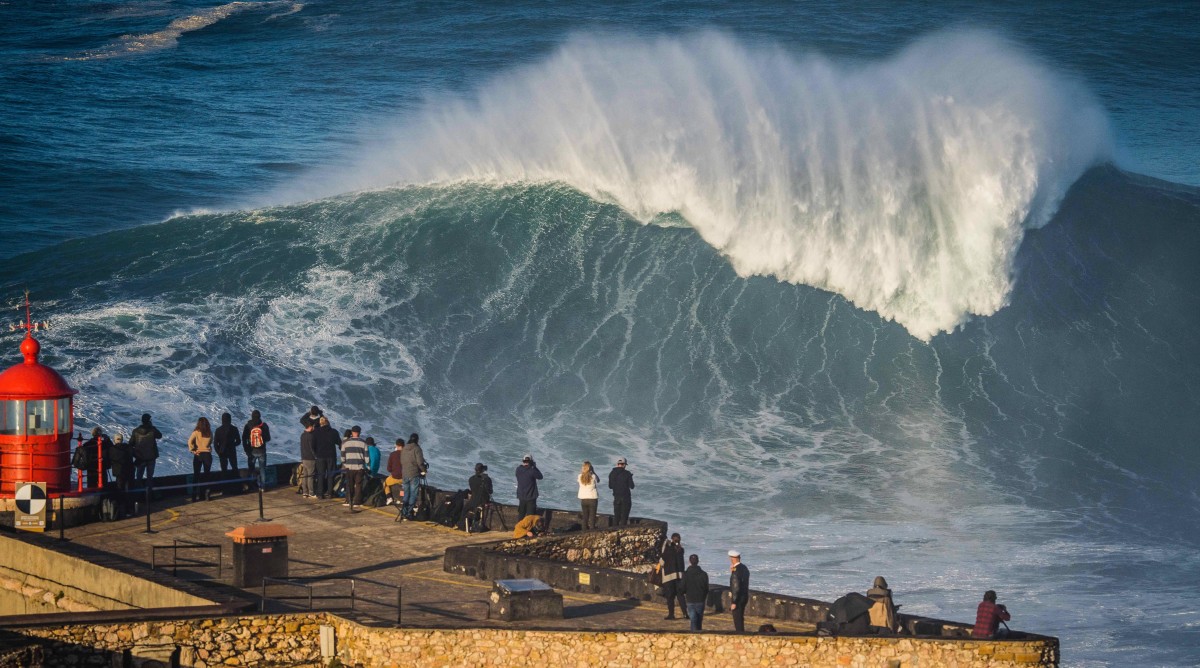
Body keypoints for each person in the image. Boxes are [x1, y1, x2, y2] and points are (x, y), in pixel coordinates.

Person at [658, 533, 687, 620]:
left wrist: (665, 545)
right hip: (679, 576)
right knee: (680, 596)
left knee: (670, 597)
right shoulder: (681, 550)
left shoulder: (668, 549)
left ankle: (671, 614)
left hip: (669, 576)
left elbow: (662, 562)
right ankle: (685, 613)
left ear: (672, 539)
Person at [399, 433, 427, 520]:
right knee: (413, 494)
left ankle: (404, 512)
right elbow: (420, 463)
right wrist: (424, 471)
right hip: (414, 474)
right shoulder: (417, 448)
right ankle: (409, 513)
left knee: (406, 493)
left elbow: (401, 461)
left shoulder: (404, 448)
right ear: (417, 440)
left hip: (405, 474)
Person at [312, 416, 340, 499]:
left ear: (320, 423)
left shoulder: (316, 432)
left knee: (321, 475)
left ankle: (320, 493)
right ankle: (330, 493)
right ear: (328, 422)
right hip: (331, 456)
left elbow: (313, 445)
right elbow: (339, 443)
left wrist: (316, 454)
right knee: (331, 475)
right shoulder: (333, 432)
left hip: (320, 456)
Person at [187, 417, 214, 501]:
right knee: (207, 475)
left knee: (196, 475)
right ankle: (206, 495)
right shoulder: (210, 433)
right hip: (207, 455)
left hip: (198, 455)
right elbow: (211, 442)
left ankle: (194, 497)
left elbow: (189, 441)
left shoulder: (196, 432)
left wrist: (193, 450)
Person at [340, 426, 368, 507]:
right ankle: (357, 502)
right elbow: (366, 458)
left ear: (352, 432)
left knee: (349, 484)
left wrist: (345, 464)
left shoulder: (345, 442)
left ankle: (348, 500)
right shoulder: (364, 443)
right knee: (358, 485)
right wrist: (366, 465)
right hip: (359, 467)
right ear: (359, 432)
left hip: (349, 467)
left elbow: (342, 456)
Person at [130, 413, 162, 482]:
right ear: (149, 421)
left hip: (140, 457)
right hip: (151, 457)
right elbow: (159, 436)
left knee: (139, 477)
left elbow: (131, 444)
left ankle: (138, 491)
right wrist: (152, 426)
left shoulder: (135, 431)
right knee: (149, 478)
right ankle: (148, 492)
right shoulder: (152, 430)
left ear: (142, 421)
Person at [242, 410, 271, 483]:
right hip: (262, 451)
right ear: (260, 417)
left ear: (252, 416)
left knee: (251, 469)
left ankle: (250, 486)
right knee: (262, 469)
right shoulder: (264, 425)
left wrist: (246, 450)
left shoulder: (248, 426)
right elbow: (268, 438)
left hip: (251, 452)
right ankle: (263, 487)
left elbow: (244, 438)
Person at [683, 554, 709, 632]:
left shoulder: (686, 574)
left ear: (690, 562)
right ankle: (698, 633)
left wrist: (684, 592)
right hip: (700, 599)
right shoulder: (704, 574)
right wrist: (703, 596)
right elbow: (706, 588)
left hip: (690, 599)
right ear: (698, 561)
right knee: (699, 619)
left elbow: (682, 587)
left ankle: (694, 634)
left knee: (693, 619)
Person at [212, 412, 241, 477]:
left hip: (223, 451)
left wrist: (218, 452)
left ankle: (225, 484)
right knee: (233, 468)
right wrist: (233, 445)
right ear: (230, 420)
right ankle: (237, 483)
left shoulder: (218, 430)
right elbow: (238, 441)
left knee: (225, 469)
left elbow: (215, 444)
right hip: (230, 451)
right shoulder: (234, 429)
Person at [514, 454, 542, 520]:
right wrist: (534, 467)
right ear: (531, 461)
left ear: (523, 461)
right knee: (530, 516)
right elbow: (540, 476)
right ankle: (529, 529)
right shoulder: (532, 470)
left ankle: (519, 528)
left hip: (521, 496)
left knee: (521, 514)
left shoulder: (518, 469)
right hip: (531, 497)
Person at [608, 457, 634, 525]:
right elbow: (632, 486)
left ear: (617, 464)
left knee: (616, 516)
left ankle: (615, 532)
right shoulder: (627, 473)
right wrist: (630, 477)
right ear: (624, 465)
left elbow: (610, 486)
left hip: (616, 497)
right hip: (626, 498)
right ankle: (622, 531)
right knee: (624, 517)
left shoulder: (612, 473)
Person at [728, 550, 750, 633]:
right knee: (740, 617)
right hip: (744, 596)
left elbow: (736, 588)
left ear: (732, 559)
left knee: (737, 619)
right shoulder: (744, 568)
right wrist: (733, 571)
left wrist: (734, 602)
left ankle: (740, 634)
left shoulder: (736, 572)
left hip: (738, 599)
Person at [577, 461, 600, 530]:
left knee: (585, 517)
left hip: (583, 499)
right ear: (590, 468)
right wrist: (593, 471)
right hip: (592, 498)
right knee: (592, 517)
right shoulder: (593, 476)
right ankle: (592, 531)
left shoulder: (579, 476)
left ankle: (584, 531)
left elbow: (580, 479)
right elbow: (598, 480)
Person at [298, 421, 316, 498]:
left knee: (305, 475)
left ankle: (305, 492)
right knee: (310, 476)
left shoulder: (302, 435)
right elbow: (312, 448)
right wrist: (316, 456)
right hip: (310, 458)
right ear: (310, 427)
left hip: (304, 457)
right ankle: (311, 493)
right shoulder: (310, 436)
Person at [384, 438, 404, 505]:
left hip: (395, 477)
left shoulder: (393, 454)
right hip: (404, 478)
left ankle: (389, 498)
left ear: (396, 445)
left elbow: (389, 469)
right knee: (403, 488)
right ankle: (402, 499)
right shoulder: (407, 455)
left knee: (385, 483)